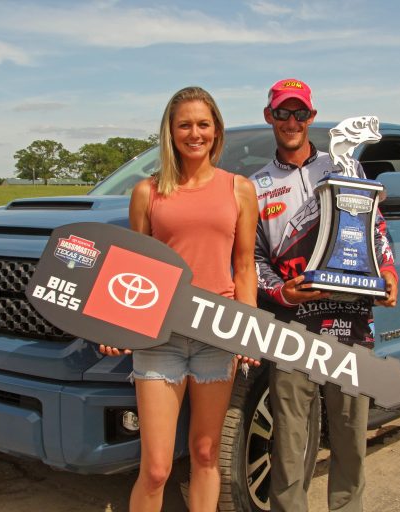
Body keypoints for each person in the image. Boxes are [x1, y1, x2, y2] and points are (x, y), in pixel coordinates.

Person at [99, 86, 259, 512]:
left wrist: (250, 331)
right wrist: (114, 327)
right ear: (170, 131)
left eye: (203, 124)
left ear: (216, 130)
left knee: (207, 455)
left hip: (217, 336)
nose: (194, 133)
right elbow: (132, 270)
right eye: (184, 124)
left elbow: (244, 266)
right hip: (159, 339)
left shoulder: (239, 189)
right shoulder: (146, 193)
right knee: (155, 468)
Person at [251, 78, 399, 512]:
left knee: (351, 437)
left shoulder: (345, 168)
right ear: (270, 117)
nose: (292, 121)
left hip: (350, 320)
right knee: (290, 441)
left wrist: (387, 271)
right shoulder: (255, 185)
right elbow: (252, 258)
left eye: (300, 113)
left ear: (312, 118)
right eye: (283, 112)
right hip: (292, 324)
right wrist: (280, 291)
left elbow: (377, 232)